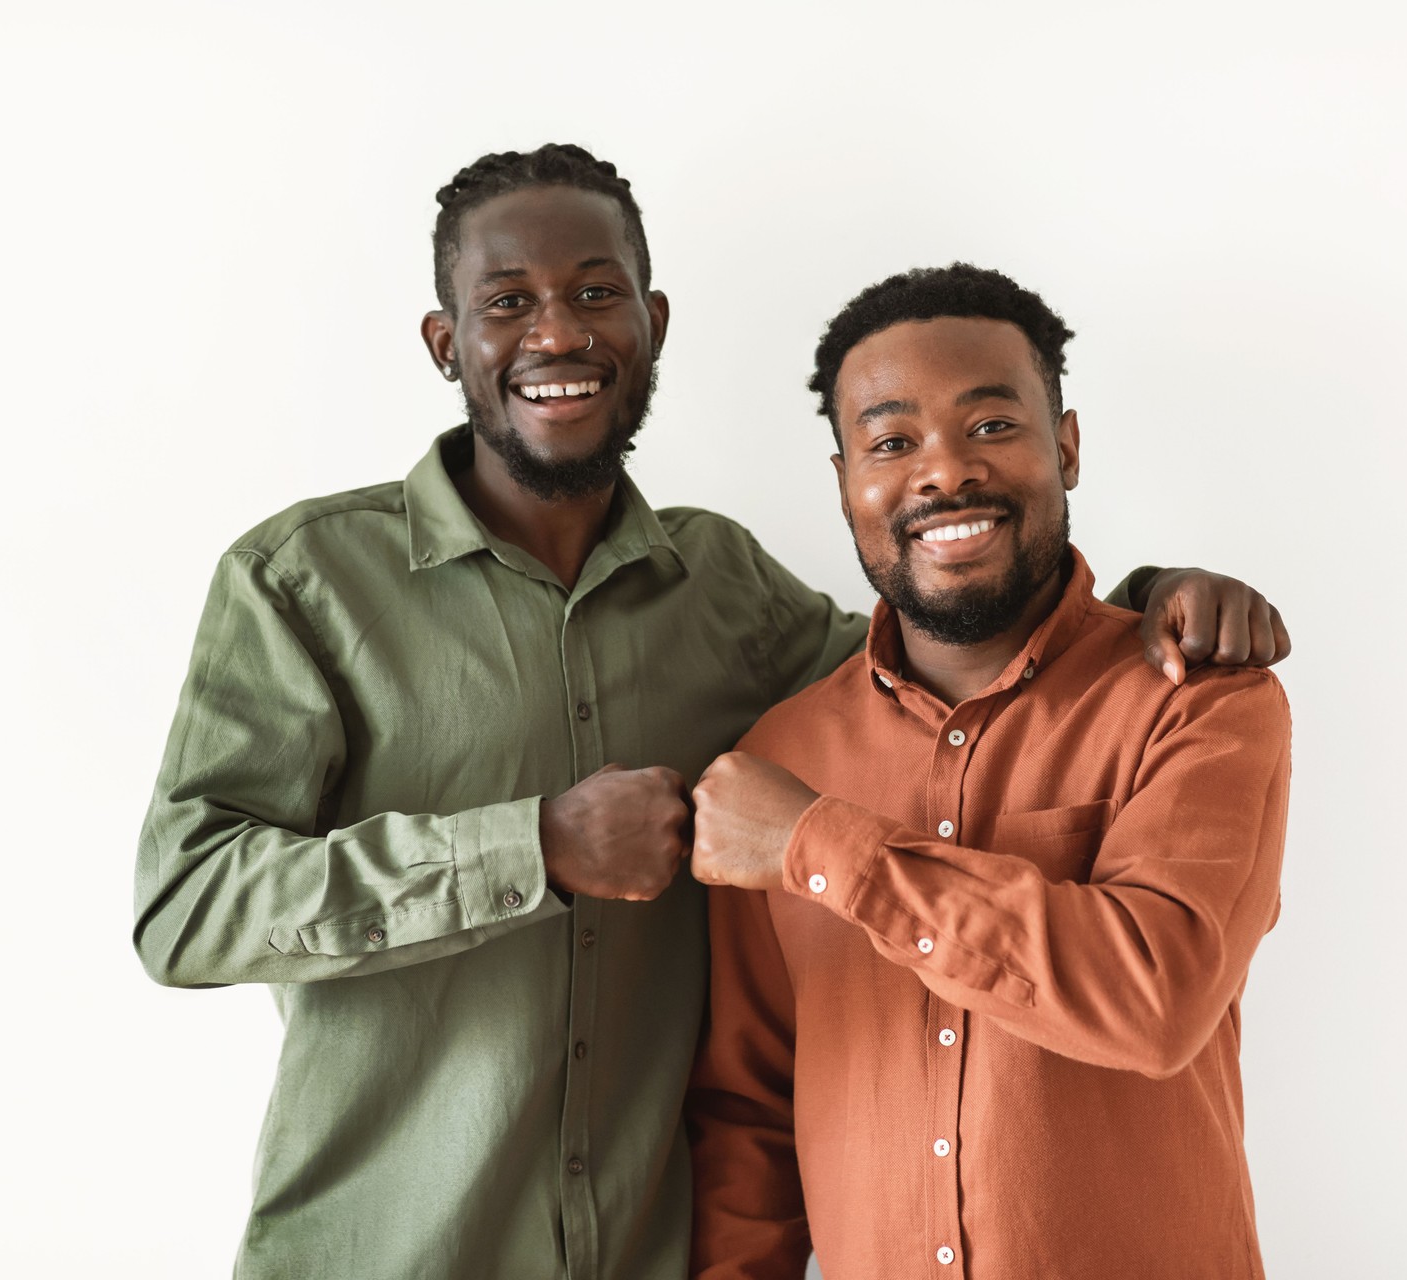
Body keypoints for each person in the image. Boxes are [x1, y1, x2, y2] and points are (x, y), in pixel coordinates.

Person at [135, 146, 1290, 1280]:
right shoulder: (305, 581)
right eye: (507, 303)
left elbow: (953, 648)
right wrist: (529, 846)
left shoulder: (728, 592)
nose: (557, 333)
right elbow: (183, 908)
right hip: (387, 1246)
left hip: (649, 1249)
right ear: (446, 343)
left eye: (598, 292)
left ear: (653, 323)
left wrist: (1154, 602)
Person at [687, 263, 1292, 1279]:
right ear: (845, 481)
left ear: (1066, 446)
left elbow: (1153, 996)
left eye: (992, 426)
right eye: (891, 442)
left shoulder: (1202, 700)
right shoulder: (782, 755)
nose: (944, 472)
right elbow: (749, 1115)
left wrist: (819, 846)